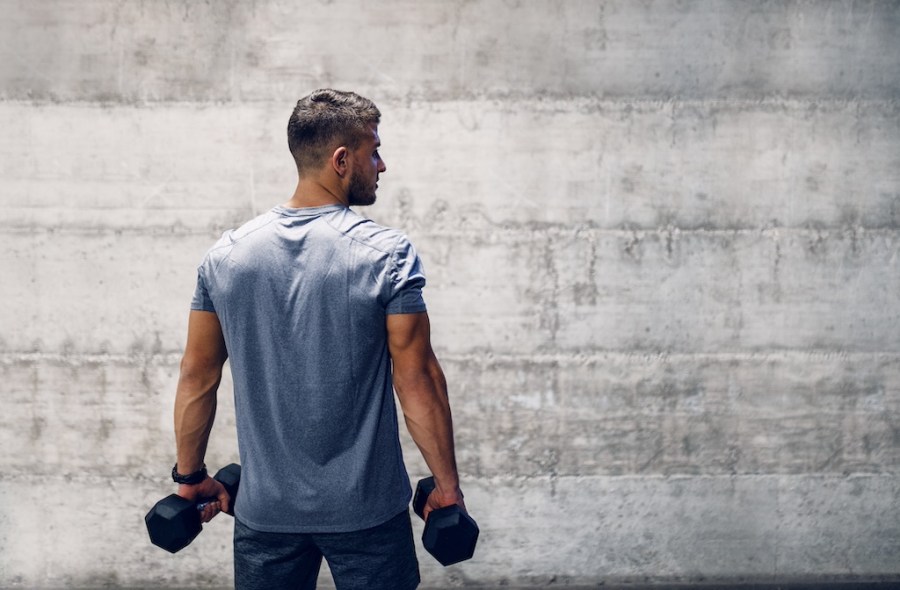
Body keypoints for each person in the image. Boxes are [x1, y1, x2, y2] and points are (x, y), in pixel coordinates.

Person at [169, 89, 466, 590]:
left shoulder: (226, 258)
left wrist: (189, 478)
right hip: (368, 513)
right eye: (374, 150)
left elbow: (197, 376)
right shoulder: (387, 255)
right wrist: (448, 490)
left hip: (267, 514)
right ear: (342, 160)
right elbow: (416, 378)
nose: (382, 164)